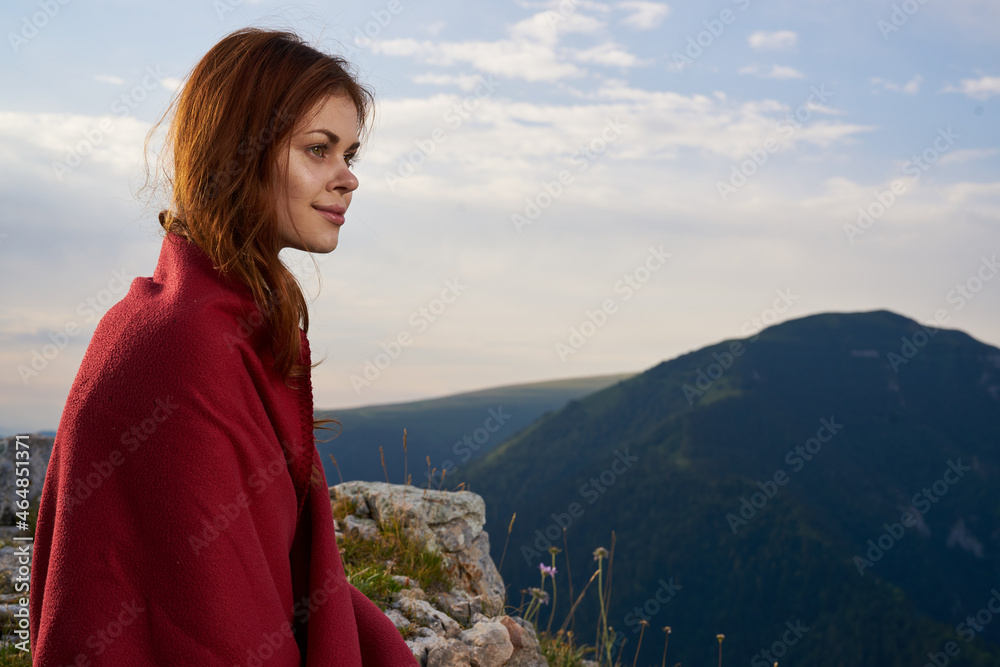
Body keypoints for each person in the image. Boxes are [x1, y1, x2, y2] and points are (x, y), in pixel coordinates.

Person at [29, 27, 419, 666]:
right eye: (319, 150)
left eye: (350, 154)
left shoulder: (202, 315)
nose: (349, 179)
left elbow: (278, 570)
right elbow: (216, 625)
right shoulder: (187, 343)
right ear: (239, 152)